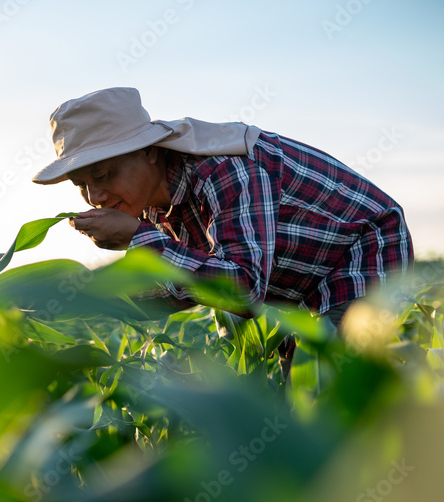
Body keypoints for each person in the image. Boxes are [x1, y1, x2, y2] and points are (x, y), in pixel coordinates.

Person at [32, 87, 414, 332]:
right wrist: (72, 301)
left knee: (332, 383)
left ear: (149, 151)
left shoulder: (223, 169)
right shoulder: (152, 207)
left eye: (103, 174)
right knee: (288, 402)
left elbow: (242, 289)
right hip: (293, 285)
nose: (95, 196)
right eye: (80, 185)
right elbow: (184, 289)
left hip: (362, 249)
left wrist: (137, 238)